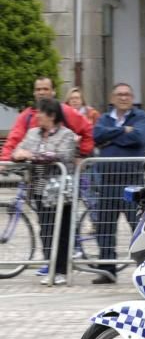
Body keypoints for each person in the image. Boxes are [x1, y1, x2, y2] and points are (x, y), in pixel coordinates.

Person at [11, 99, 77, 286]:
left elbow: (61, 156)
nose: (37, 116)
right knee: (45, 230)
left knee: (61, 230)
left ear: (52, 115)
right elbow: (17, 152)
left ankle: (61, 270)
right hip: (39, 190)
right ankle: (51, 266)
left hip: (60, 191)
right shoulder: (33, 133)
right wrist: (21, 154)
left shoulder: (67, 135)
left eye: (40, 113)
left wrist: (31, 155)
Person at [91, 83, 145, 284]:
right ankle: (107, 270)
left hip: (131, 182)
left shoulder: (140, 116)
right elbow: (97, 136)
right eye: (120, 94)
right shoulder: (103, 118)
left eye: (127, 94)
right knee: (105, 227)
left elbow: (139, 138)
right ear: (112, 98)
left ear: (132, 97)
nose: (124, 98)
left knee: (138, 227)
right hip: (107, 182)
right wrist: (123, 131)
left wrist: (112, 137)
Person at [2, 77, 94, 162]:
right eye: (38, 89)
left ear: (53, 91)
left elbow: (88, 130)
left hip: (61, 174)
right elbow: (13, 141)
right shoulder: (26, 116)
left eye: (45, 89)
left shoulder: (66, 111)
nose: (41, 92)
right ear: (34, 93)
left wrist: (82, 155)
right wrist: (4, 162)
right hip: (33, 175)